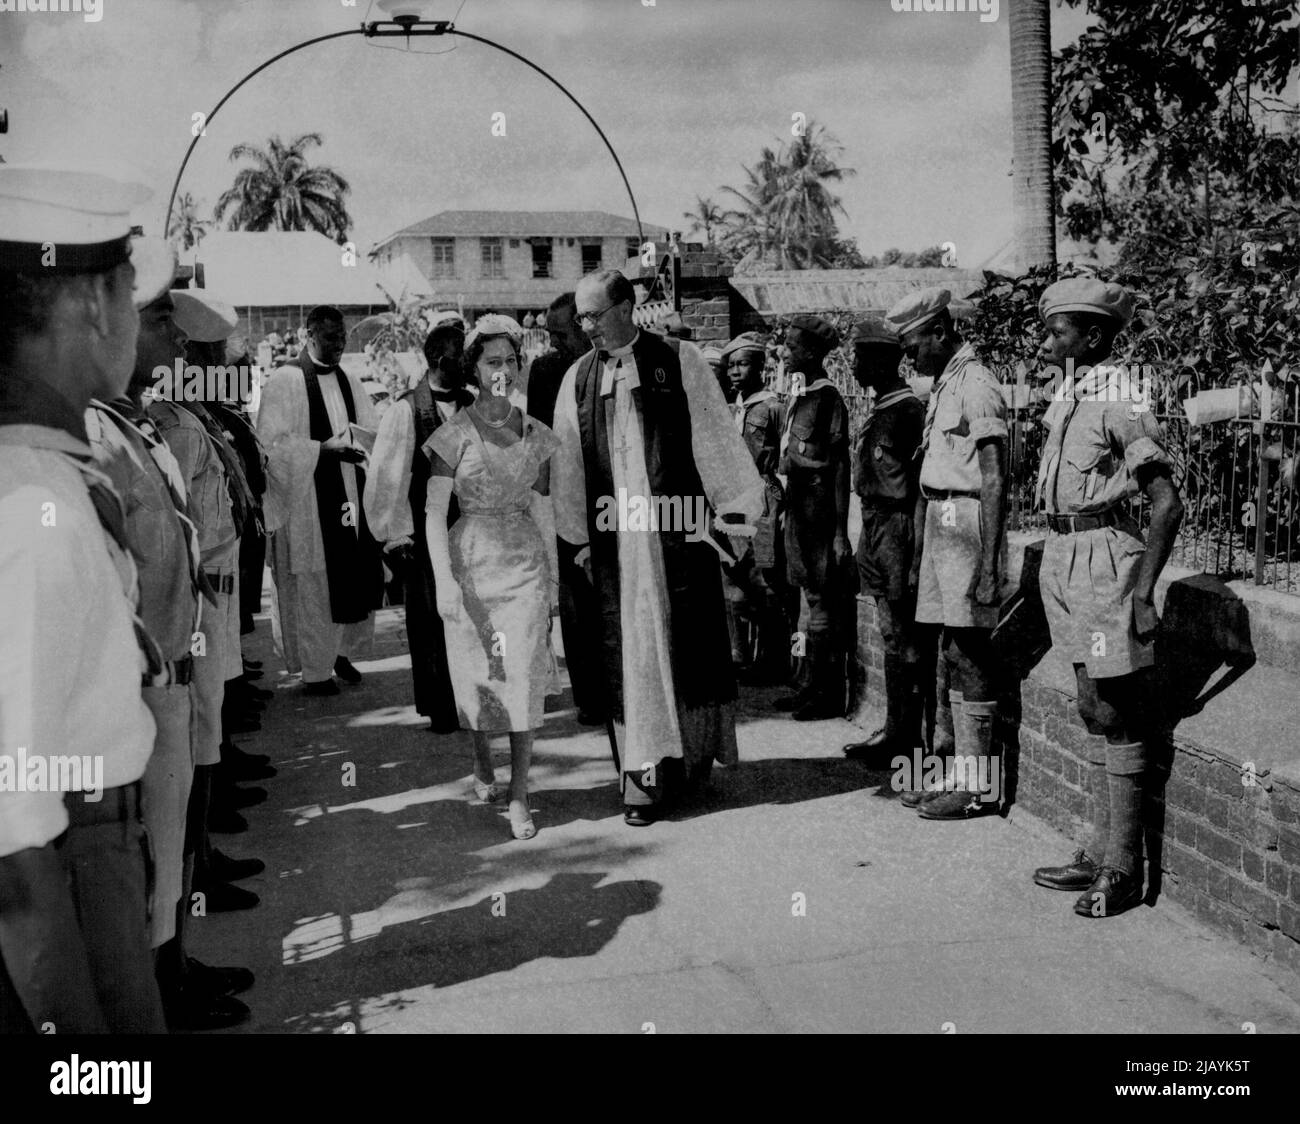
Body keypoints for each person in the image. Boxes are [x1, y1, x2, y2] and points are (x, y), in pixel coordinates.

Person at [0, 165, 171, 1033]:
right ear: (94, 304)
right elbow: (11, 842)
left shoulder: (46, 478)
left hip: (92, 854)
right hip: (65, 870)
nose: (136, 322)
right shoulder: (32, 504)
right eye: (131, 291)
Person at [89, 279, 253, 1029]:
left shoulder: (142, 427)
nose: (178, 341)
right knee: (151, 846)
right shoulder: (99, 438)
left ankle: (173, 970)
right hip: (137, 686)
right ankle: (160, 988)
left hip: (172, 671)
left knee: (172, 832)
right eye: (162, 322)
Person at [552, 270, 764, 827]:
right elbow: (570, 466)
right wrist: (575, 539)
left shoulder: (681, 360)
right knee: (634, 655)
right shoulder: (577, 378)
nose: (587, 326)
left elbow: (716, 437)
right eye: (582, 317)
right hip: (616, 542)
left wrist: (735, 517)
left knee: (684, 643)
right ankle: (641, 776)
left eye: (595, 314)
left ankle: (688, 759)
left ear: (627, 305)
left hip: (677, 533)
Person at [1029, 278, 1183, 917]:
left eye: (1059, 331)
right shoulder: (1072, 397)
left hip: (1103, 567)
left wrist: (1144, 591)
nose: (1047, 342)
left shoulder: (1120, 401)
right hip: (1064, 560)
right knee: (1091, 705)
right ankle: (1099, 848)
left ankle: (1124, 868)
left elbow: (1167, 504)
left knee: (1116, 708)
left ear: (1093, 336)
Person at [424, 315, 559, 841]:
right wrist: (443, 581)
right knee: (481, 674)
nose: (501, 371)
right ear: (474, 369)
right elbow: (435, 513)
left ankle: (520, 792)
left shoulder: (537, 435)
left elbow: (544, 509)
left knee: (522, 675)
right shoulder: (451, 435)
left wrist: (554, 581)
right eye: (491, 362)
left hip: (523, 564)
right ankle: (482, 758)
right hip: (470, 563)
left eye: (510, 361)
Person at [886, 287, 1009, 820]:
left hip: (966, 520)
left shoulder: (977, 383)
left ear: (940, 331)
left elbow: (996, 477)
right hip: (940, 516)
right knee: (948, 649)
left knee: (971, 649)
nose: (907, 356)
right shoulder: (945, 384)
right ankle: (954, 768)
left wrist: (989, 564)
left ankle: (978, 783)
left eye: (913, 343)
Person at [259, 305, 383, 695]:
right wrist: (322, 451)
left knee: (349, 576)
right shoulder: (284, 380)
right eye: (330, 337)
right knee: (316, 583)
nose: (339, 345)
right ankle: (315, 672)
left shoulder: (349, 379)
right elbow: (271, 445)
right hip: (310, 502)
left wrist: (367, 443)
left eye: (342, 337)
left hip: (348, 492)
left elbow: (371, 428)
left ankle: (340, 653)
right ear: (308, 335)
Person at [364, 312, 471, 733]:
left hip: (470, 529)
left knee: (471, 617)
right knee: (430, 621)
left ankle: (473, 699)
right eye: (462, 356)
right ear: (443, 362)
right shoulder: (405, 411)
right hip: (423, 536)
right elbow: (387, 478)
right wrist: (394, 538)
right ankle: (441, 707)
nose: (468, 363)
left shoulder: (472, 403)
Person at [841, 316, 934, 763]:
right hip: (874, 526)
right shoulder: (881, 408)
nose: (854, 365)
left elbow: (919, 487)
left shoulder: (908, 412)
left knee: (905, 634)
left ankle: (909, 738)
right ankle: (896, 729)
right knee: (889, 631)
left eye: (860, 356)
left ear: (883, 361)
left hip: (898, 529)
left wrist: (915, 553)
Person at [524, 293, 603, 725]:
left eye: (560, 334)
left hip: (613, 494)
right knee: (576, 597)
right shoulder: (547, 369)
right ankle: (589, 697)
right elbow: (537, 435)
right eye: (552, 335)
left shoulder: (612, 362)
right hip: (567, 497)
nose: (554, 343)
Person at [774, 314, 853, 721]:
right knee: (804, 602)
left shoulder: (827, 398)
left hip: (819, 515)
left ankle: (825, 693)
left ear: (812, 352)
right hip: (797, 512)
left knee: (821, 604)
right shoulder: (799, 396)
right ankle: (806, 684)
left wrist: (840, 531)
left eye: (792, 346)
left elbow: (839, 466)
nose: (784, 352)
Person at [721, 331, 794, 685]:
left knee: (766, 579)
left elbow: (784, 458)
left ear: (760, 367)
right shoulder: (738, 408)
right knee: (738, 575)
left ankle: (776, 661)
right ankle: (751, 657)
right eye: (731, 365)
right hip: (736, 500)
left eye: (743, 364)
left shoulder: (773, 407)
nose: (735, 371)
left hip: (764, 498)